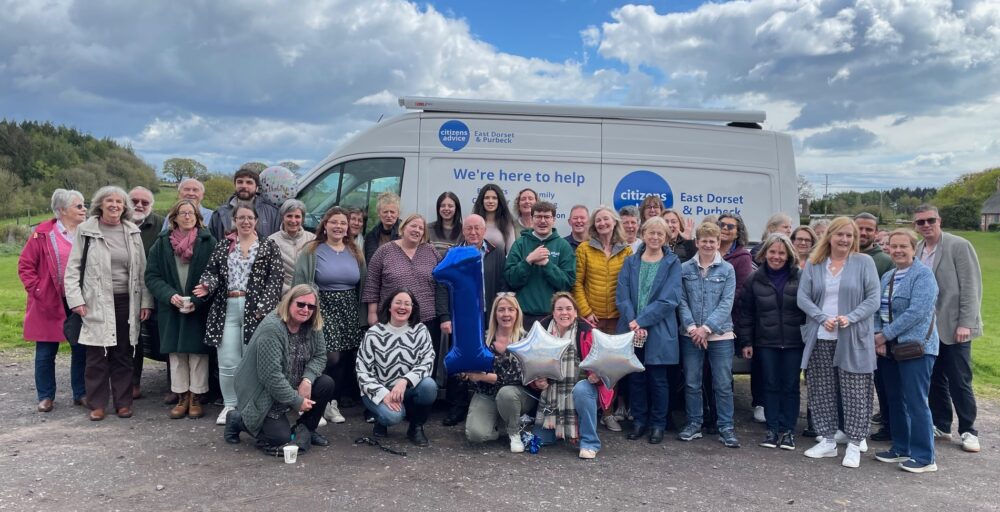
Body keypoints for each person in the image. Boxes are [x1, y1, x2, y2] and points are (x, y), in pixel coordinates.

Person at [64, 186, 153, 421]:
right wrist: (76, 300)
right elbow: (72, 268)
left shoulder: (132, 231)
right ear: (100, 204)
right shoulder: (86, 230)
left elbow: (143, 271)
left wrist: (146, 301)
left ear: (125, 207)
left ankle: (123, 403)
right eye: (109, 201)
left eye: (119, 202)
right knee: (96, 354)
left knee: (124, 353)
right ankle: (97, 404)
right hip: (96, 300)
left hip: (127, 300)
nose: (114, 205)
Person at [798, 217, 880, 468]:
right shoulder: (815, 263)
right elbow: (803, 298)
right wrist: (822, 318)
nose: (844, 240)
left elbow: (873, 298)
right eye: (840, 235)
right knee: (821, 391)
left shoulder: (863, 262)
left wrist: (850, 317)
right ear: (829, 236)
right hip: (821, 336)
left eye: (849, 235)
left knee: (855, 392)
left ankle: (855, 444)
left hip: (852, 337)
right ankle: (828, 441)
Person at [194, 204, 284, 425]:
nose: (245, 221)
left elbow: (275, 278)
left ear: (256, 220)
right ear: (234, 220)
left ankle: (251, 405)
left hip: (256, 309)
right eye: (241, 218)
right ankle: (229, 405)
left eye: (250, 218)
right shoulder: (224, 246)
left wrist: (263, 307)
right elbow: (212, 272)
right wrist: (207, 285)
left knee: (252, 360)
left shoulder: (268, 245)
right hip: (227, 307)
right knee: (227, 360)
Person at [223, 284, 336, 453]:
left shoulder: (313, 324)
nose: (306, 310)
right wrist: (296, 401)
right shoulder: (272, 327)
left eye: (311, 306)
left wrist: (307, 379)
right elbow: (270, 376)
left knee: (326, 383)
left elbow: (320, 356)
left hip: (293, 380)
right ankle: (237, 419)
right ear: (289, 302)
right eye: (301, 304)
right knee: (279, 439)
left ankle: (306, 430)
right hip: (263, 390)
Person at [914, 204, 983, 453]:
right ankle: (941, 424)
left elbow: (970, 286)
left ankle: (968, 430)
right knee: (934, 379)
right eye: (920, 222)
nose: (926, 225)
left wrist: (966, 322)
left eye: (930, 220)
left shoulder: (958, 245)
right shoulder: (919, 249)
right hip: (928, 329)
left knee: (959, 380)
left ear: (939, 220)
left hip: (955, 326)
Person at [873, 229, 941, 473]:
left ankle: (925, 457)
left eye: (904, 246)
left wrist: (884, 335)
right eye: (894, 246)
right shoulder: (888, 276)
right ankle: (900, 447)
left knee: (916, 401)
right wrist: (878, 338)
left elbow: (917, 312)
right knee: (895, 399)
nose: (899, 250)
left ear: (914, 249)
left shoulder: (923, 275)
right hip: (889, 349)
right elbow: (876, 309)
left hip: (916, 349)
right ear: (888, 248)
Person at [293, 207, 366, 425]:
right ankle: (316, 400)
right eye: (334, 222)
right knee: (329, 355)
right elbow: (300, 282)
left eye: (343, 223)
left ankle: (332, 403)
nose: (338, 226)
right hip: (322, 307)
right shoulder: (312, 250)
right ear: (325, 225)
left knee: (344, 357)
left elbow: (362, 284)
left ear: (348, 228)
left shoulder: (355, 251)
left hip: (349, 307)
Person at [144, 200, 216, 419]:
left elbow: (215, 274)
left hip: (198, 307)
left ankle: (196, 397)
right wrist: (169, 296)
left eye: (191, 213)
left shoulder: (208, 241)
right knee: (176, 354)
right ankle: (182, 396)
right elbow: (152, 276)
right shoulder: (162, 243)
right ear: (174, 217)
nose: (187, 216)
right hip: (171, 308)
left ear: (197, 217)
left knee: (197, 354)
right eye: (183, 213)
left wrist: (198, 299)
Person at [19, 189, 88, 412]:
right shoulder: (42, 234)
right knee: (46, 351)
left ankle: (81, 393)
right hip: (49, 300)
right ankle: (46, 396)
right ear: (62, 210)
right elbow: (25, 266)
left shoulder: (88, 232)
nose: (84, 209)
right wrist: (38, 290)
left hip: (79, 300)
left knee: (81, 348)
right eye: (78, 206)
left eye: (83, 205)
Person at [439, 214, 509, 426]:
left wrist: (501, 314)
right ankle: (457, 406)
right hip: (461, 317)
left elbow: (502, 282)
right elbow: (441, 285)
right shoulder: (453, 253)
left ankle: (487, 403)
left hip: (489, 316)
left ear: (484, 230)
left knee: (489, 359)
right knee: (458, 360)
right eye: (469, 228)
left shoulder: (496, 252)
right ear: (463, 230)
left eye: (477, 228)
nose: (473, 232)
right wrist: (445, 316)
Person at [616, 216, 681, 444]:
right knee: (636, 377)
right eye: (651, 233)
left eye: (660, 234)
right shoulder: (630, 261)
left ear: (666, 238)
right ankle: (639, 422)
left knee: (658, 379)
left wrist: (641, 321)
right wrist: (633, 321)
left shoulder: (673, 263)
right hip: (631, 327)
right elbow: (622, 295)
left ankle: (658, 424)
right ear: (643, 233)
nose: (655, 237)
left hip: (659, 328)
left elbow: (669, 299)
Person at [738, 233, 805, 450]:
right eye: (772, 252)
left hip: (794, 342)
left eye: (781, 253)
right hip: (765, 342)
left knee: (791, 386)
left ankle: (788, 431)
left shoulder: (800, 277)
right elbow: (746, 313)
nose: (776, 256)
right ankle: (772, 429)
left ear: (789, 255)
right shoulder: (754, 279)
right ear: (765, 253)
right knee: (770, 385)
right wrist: (746, 342)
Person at [677, 222, 740, 448]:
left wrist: (707, 328)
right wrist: (693, 327)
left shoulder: (727, 270)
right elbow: (681, 300)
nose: (707, 244)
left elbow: (727, 302)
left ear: (718, 243)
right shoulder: (685, 269)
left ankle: (726, 427)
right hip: (691, 334)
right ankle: (694, 423)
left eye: (712, 241)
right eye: (703, 240)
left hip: (720, 335)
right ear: (697, 242)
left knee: (722, 383)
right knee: (692, 382)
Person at [530, 292, 613, 459]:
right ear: (553, 312)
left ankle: (590, 442)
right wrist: (536, 381)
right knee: (542, 441)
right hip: (552, 396)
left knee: (582, 390)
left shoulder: (587, 332)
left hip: (584, 390)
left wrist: (597, 374)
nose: (564, 313)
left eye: (569, 309)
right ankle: (557, 429)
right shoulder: (540, 331)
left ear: (576, 312)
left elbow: (608, 362)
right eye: (559, 309)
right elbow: (530, 365)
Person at [571, 205, 631, 432]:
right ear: (593, 225)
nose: (603, 223)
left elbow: (629, 284)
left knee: (612, 368)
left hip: (617, 319)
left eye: (606, 219)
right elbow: (577, 282)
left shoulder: (626, 251)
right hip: (592, 320)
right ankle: (592, 409)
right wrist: (586, 311)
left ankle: (609, 412)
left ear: (615, 222)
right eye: (598, 221)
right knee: (592, 366)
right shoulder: (584, 249)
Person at [356, 289, 438, 446]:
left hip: (405, 388)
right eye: (398, 303)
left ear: (413, 308)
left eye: (407, 304)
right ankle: (381, 421)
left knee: (429, 386)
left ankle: (416, 427)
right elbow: (362, 371)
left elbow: (428, 361)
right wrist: (383, 394)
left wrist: (404, 380)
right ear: (389, 306)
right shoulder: (373, 333)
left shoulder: (420, 330)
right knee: (392, 417)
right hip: (378, 390)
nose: (402, 307)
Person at [363, 213, 449, 354]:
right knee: (393, 361)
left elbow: (442, 282)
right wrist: (372, 313)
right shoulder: (384, 251)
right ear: (403, 228)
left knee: (426, 364)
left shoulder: (431, 251)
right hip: (393, 320)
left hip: (427, 320)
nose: (417, 230)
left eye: (421, 228)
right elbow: (372, 283)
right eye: (413, 226)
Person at [462, 294, 535, 452]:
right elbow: (469, 368)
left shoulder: (526, 339)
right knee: (475, 435)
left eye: (510, 309)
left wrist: (482, 377)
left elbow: (517, 377)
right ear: (495, 313)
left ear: (517, 313)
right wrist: (465, 372)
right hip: (487, 394)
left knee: (506, 392)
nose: (506, 314)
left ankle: (514, 431)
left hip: (517, 394)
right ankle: (503, 425)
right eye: (501, 310)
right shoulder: (482, 339)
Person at [504, 201, 576, 328]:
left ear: (554, 220)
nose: (542, 221)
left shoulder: (563, 246)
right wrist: (528, 261)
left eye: (547, 217)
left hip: (554, 318)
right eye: (538, 217)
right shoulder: (520, 244)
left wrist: (547, 265)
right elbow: (510, 280)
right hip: (523, 316)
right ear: (532, 219)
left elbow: (567, 284)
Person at [855, 212, 894, 441]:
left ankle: (888, 425)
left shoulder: (884, 261)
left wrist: (880, 333)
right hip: (847, 327)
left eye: (869, 229)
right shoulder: (845, 255)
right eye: (860, 228)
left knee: (881, 381)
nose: (863, 232)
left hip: (874, 331)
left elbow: (885, 300)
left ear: (875, 232)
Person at [716, 213, 757, 422]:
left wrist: (716, 311)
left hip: (728, 322)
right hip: (702, 322)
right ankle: (708, 413)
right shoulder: (707, 250)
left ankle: (724, 418)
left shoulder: (742, 258)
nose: (725, 228)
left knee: (724, 372)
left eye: (730, 226)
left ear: (738, 232)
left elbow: (739, 291)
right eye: (721, 225)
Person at [128, 186, 166, 400]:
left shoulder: (161, 225)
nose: (139, 205)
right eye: (135, 201)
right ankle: (132, 382)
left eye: (145, 202)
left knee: (159, 335)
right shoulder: (119, 223)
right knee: (131, 340)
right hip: (125, 290)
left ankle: (173, 385)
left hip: (154, 288)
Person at [208, 166, 281, 241]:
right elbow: (212, 244)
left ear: (257, 188)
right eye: (240, 182)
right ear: (235, 185)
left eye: (249, 182)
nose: (244, 186)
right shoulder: (219, 214)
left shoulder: (272, 213)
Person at [268, 199, 316, 295]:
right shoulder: (271, 241)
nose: (293, 220)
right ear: (282, 217)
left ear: (302, 219)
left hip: (307, 296)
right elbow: (269, 273)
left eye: (297, 216)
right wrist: (289, 292)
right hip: (282, 297)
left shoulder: (312, 239)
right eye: (289, 216)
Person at [472, 184, 516, 254]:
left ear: (499, 201)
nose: (490, 201)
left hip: (500, 264)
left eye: (494, 198)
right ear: (481, 201)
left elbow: (511, 252)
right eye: (486, 198)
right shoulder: (474, 222)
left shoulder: (507, 223)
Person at [363, 191, 401, 264]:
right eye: (385, 212)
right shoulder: (371, 236)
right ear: (378, 213)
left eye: (392, 212)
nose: (389, 215)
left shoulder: (405, 234)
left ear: (398, 213)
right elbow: (370, 263)